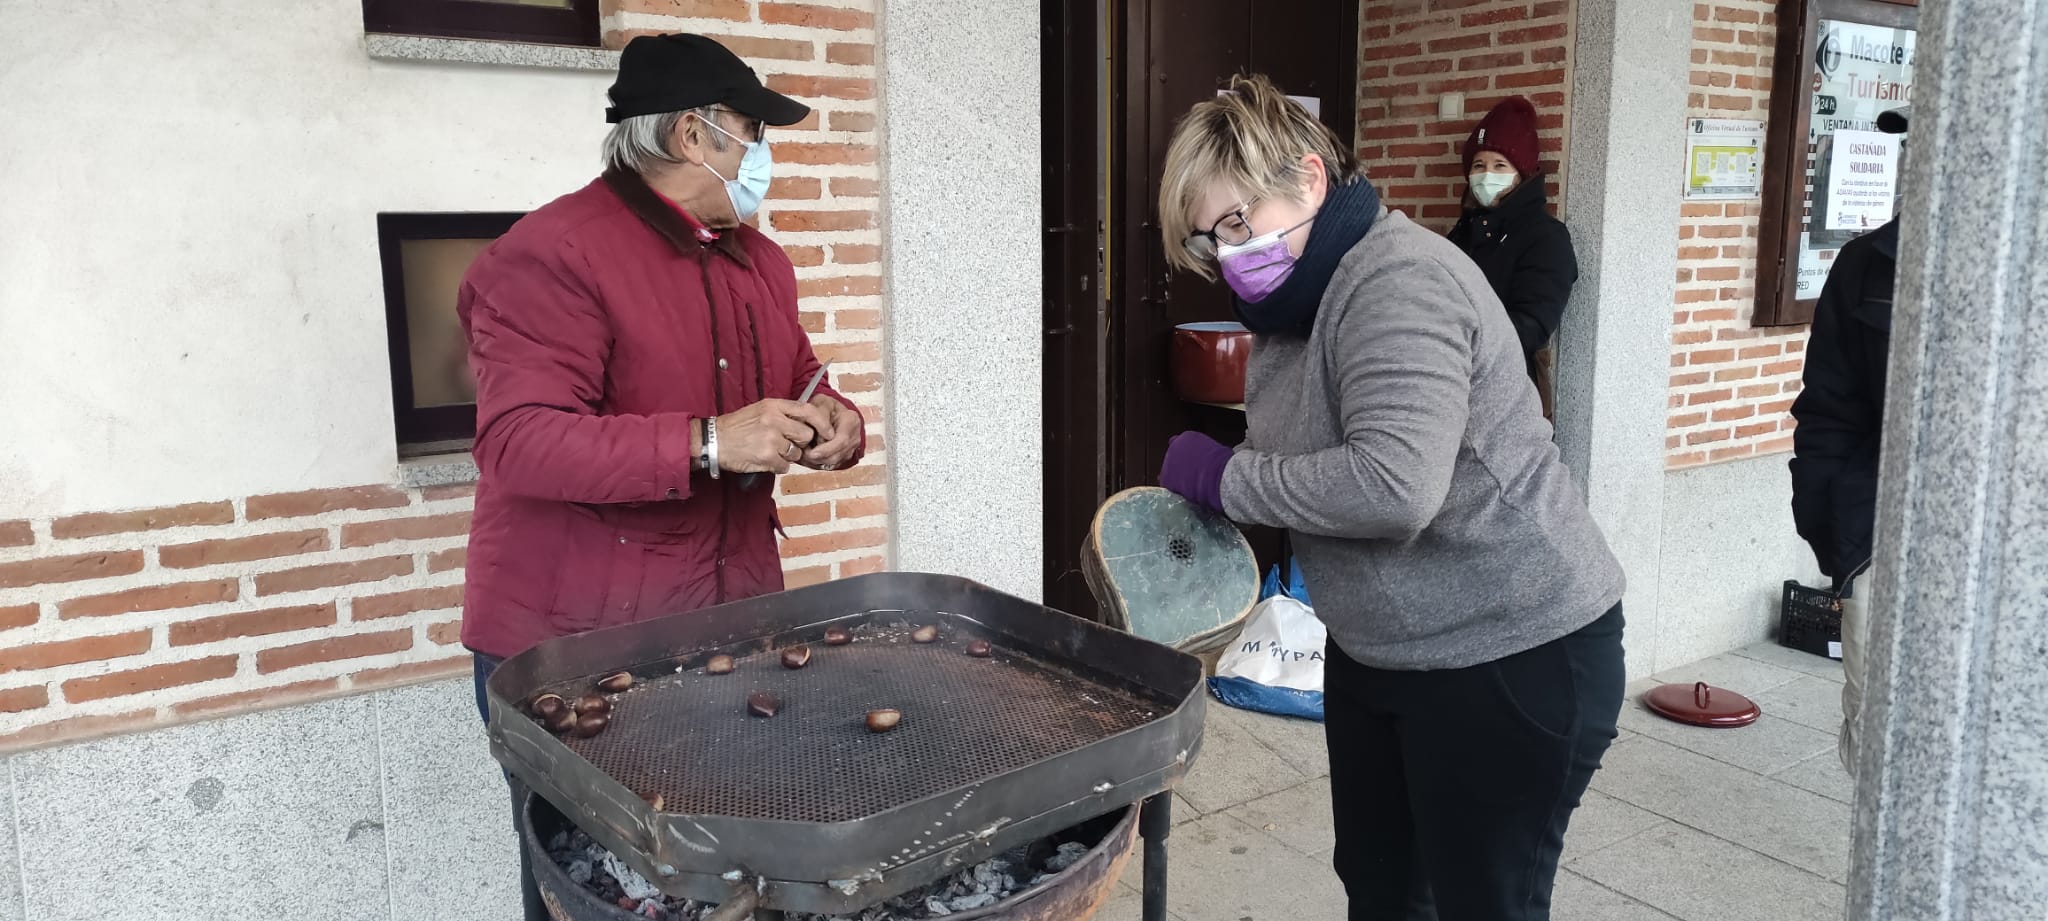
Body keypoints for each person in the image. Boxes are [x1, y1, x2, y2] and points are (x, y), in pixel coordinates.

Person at [1151, 74, 1626, 921]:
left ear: (1308, 178)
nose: (1226, 255)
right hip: (1384, 649)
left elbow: (1393, 484)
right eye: (1204, 239)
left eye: (1235, 222)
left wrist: (1225, 477)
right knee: (1382, 888)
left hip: (1510, 645)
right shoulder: (1289, 306)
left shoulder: (1396, 281)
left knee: (1482, 902)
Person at [454, 33, 867, 919]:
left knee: (721, 874)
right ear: (692, 134)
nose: (764, 154)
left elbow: (800, 374)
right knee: (601, 885)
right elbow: (519, 441)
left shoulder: (758, 258)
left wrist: (836, 418)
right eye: (752, 130)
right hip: (577, 646)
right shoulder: (552, 253)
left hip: (728, 619)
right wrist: (709, 442)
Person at [1790, 105, 1909, 780]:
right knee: (1876, 746)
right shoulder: (1868, 265)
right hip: (1881, 542)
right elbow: (1830, 409)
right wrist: (1842, 544)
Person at [1446, 96, 1578, 419]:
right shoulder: (1462, 232)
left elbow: (1530, 326)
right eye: (1479, 165)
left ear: (1521, 173)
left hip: (1505, 401)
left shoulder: (1547, 238)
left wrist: (1454, 343)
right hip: (1450, 388)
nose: (1486, 174)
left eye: (1499, 165)